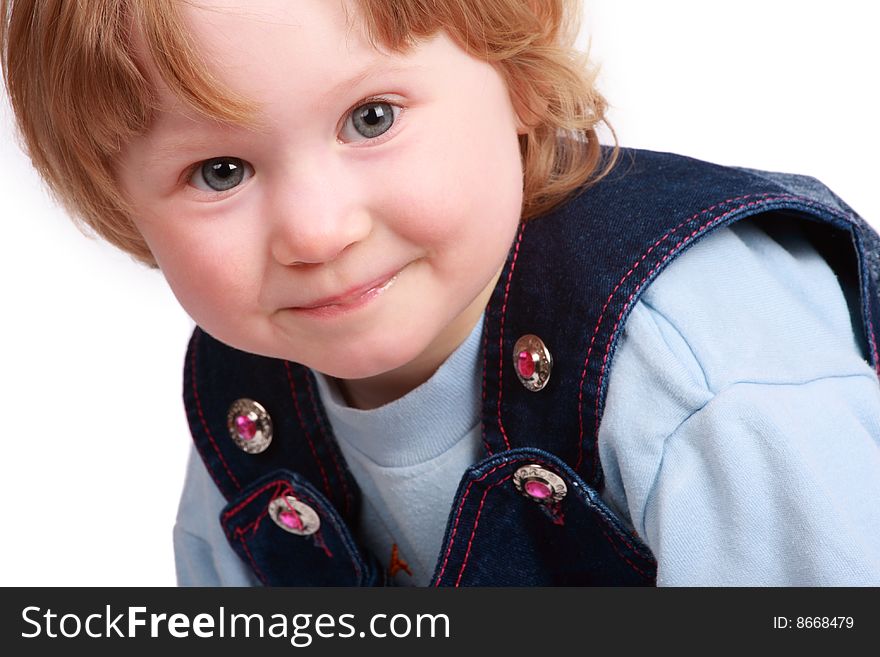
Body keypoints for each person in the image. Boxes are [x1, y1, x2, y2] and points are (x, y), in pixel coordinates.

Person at [2, 0, 878, 586]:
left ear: (519, 79)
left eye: (371, 118)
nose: (317, 231)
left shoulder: (697, 358)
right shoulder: (253, 419)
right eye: (219, 171)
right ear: (122, 207)